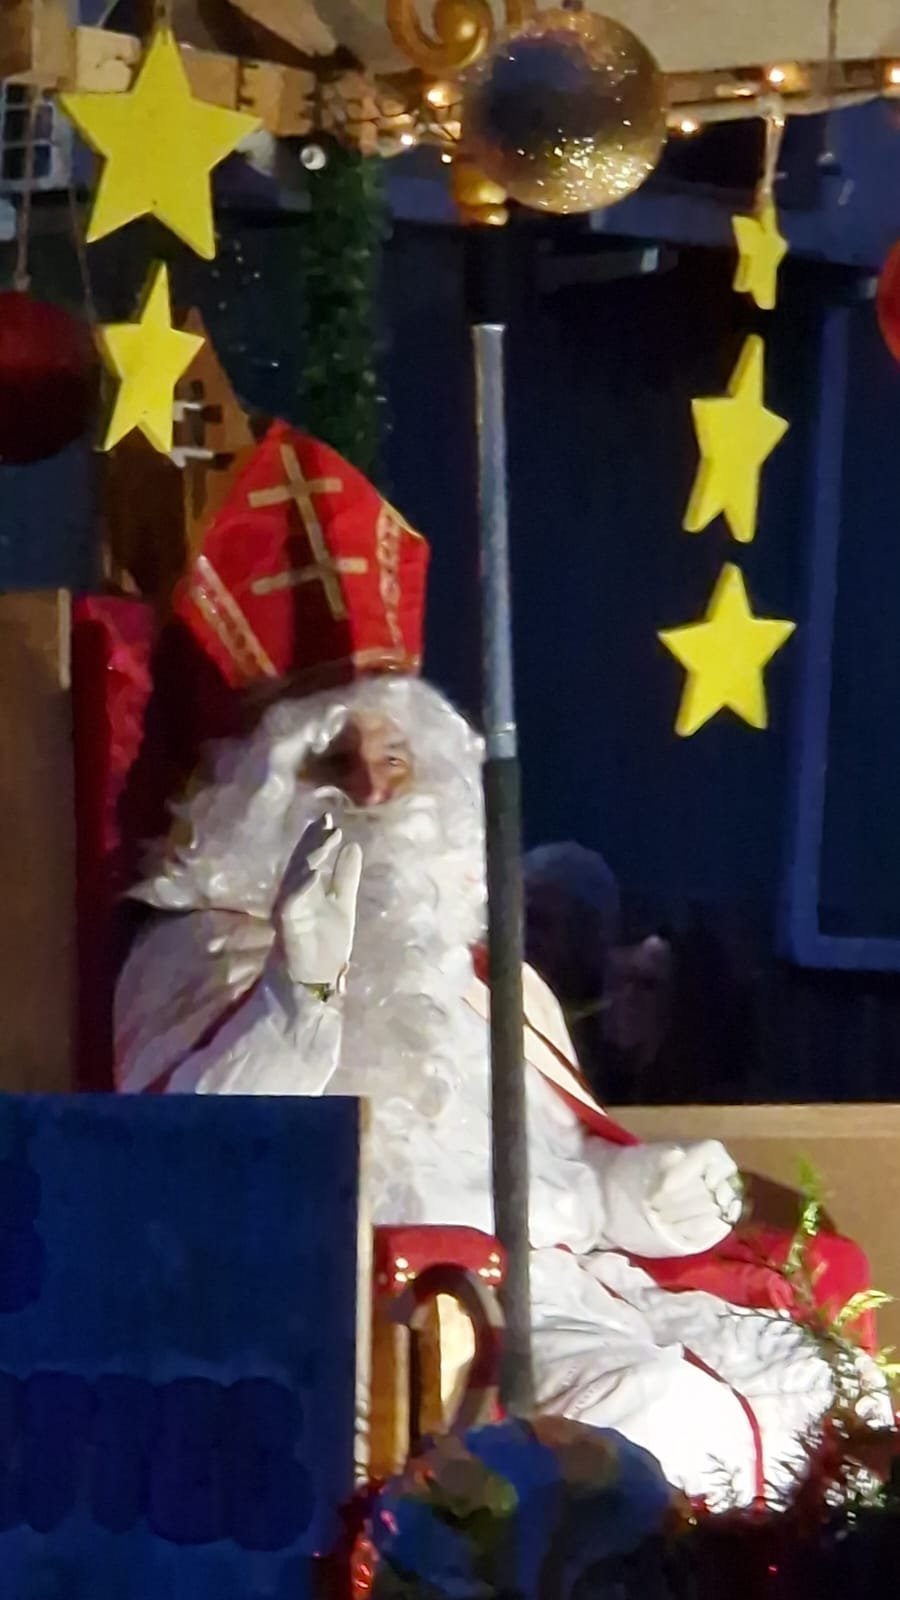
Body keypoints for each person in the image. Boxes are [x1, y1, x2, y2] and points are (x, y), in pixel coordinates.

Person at [115, 423, 890, 1509]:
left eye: (397, 755)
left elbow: (560, 1163)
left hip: (569, 1288)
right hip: (393, 1322)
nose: (376, 788)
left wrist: (633, 1193)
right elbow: (175, 1173)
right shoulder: (198, 947)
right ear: (261, 792)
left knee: (839, 1391)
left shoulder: (488, 979)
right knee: (655, 1423)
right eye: (335, 761)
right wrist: (300, 998)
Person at [524, 844, 673, 1102]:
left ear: (588, 929)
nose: (525, 940)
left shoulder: (618, 1020)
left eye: (539, 923)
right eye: (520, 923)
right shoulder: (498, 1007)